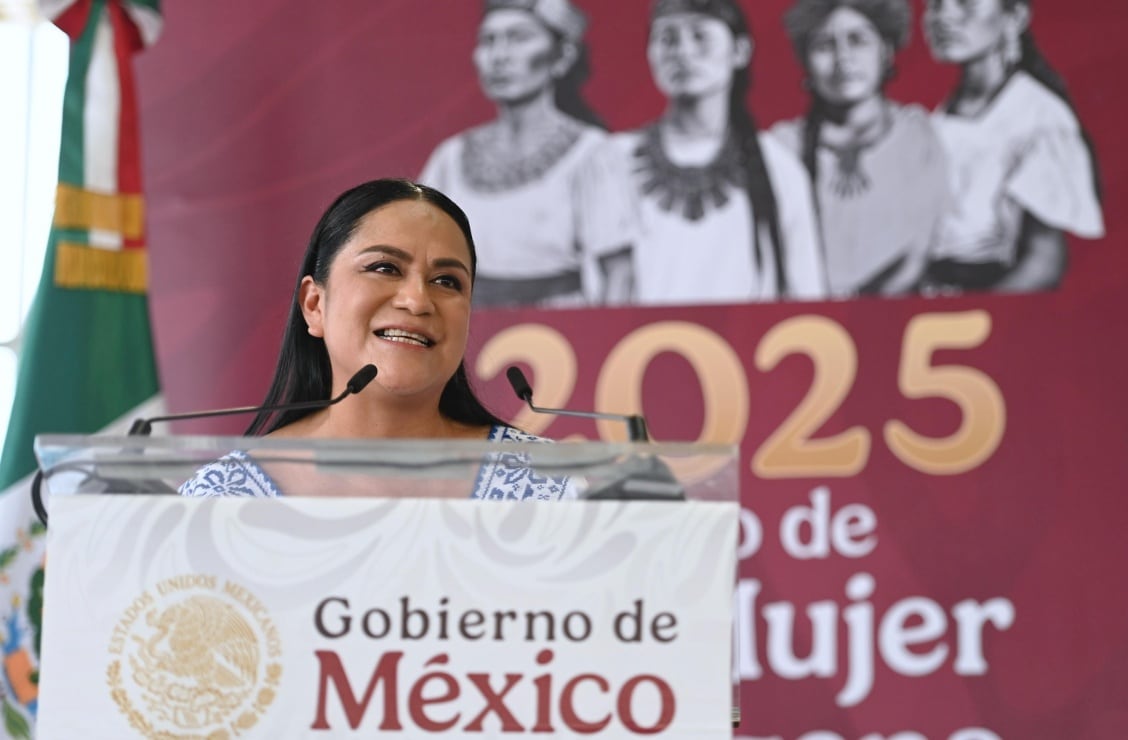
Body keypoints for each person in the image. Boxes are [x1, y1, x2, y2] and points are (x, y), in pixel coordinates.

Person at [180, 178, 571, 501]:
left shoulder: (554, 486)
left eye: (446, 281)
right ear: (314, 304)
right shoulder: (218, 501)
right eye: (385, 267)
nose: (417, 301)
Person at [597, 0, 827, 306]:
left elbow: (807, 297)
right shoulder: (613, 161)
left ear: (740, 51)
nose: (683, 52)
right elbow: (599, 301)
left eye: (700, 37)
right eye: (668, 39)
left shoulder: (779, 167)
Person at [419, 0, 631, 308]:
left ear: (561, 56)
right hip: (470, 326)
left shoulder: (593, 152)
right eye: (489, 41)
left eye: (518, 38)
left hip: (563, 331)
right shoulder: (450, 158)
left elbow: (619, 274)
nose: (499, 56)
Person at [922, 0, 1104, 293]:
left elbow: (1044, 261)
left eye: (965, 3)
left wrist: (977, 318)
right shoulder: (940, 115)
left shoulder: (1040, 119)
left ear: (1015, 16)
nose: (944, 16)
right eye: (935, 4)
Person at [772, 0, 950, 298]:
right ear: (805, 60)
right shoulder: (782, 146)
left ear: (886, 51)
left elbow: (919, 249)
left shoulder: (918, 134)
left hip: (897, 315)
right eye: (825, 45)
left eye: (858, 41)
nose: (843, 58)